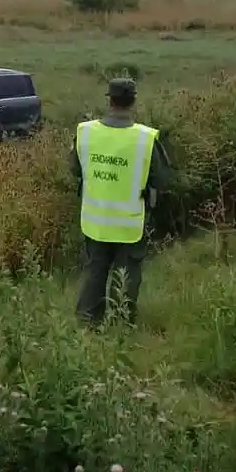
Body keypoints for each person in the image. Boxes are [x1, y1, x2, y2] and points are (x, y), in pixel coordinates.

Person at [71, 78, 172, 327]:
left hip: (95, 220)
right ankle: (121, 324)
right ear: (133, 102)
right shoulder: (145, 138)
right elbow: (161, 179)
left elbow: (75, 169)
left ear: (109, 100)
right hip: (129, 223)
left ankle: (87, 323)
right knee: (126, 275)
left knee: (95, 272)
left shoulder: (86, 132)